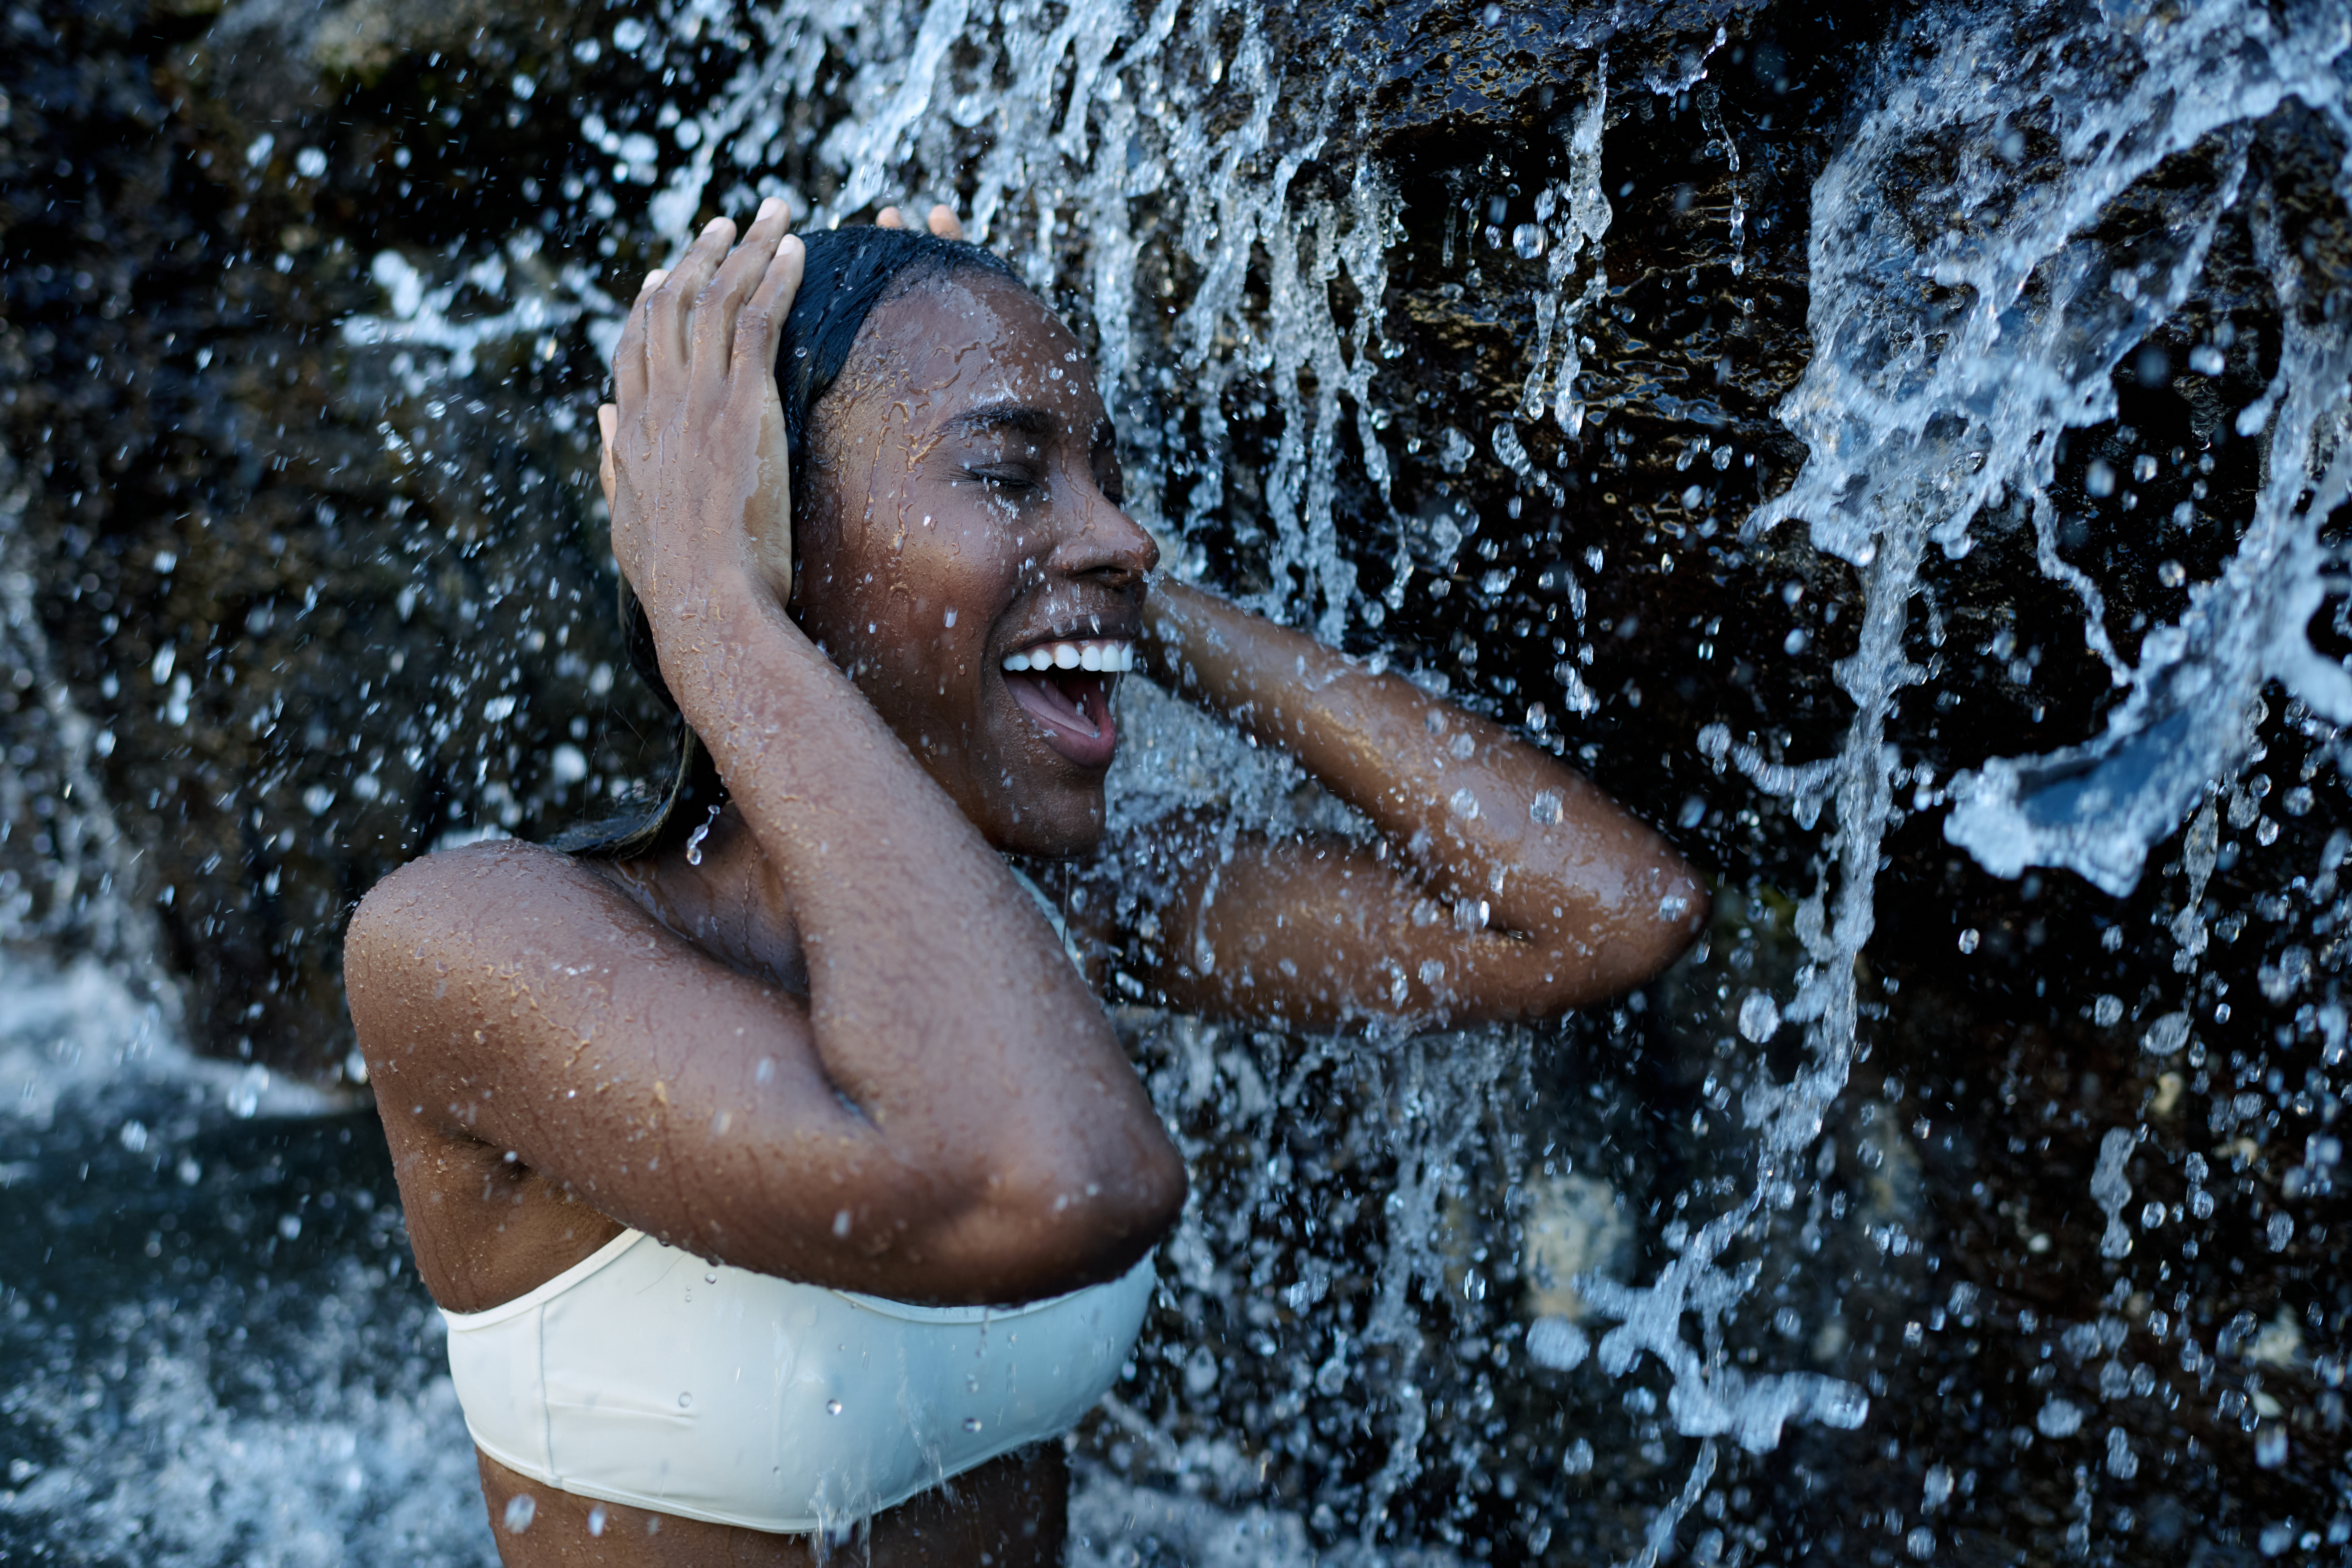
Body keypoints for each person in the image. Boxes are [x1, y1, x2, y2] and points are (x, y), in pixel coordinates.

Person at [343, 197, 1707, 1565]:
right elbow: (1051, 1178)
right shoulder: (475, 944)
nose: (1128, 532)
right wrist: (708, 604)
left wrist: (1112, 602)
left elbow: (1605, 911)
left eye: (1107, 480)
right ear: (776, 529)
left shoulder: (1055, 902)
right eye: (1008, 473)